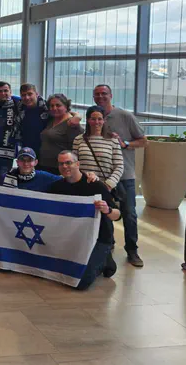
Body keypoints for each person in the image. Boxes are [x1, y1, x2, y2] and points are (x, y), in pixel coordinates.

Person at [49, 151, 119, 290]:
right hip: (72, 237)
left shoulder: (95, 185)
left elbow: (118, 215)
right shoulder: (56, 187)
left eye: (68, 162)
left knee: (80, 282)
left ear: (78, 164)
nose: (65, 166)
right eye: (61, 164)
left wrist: (107, 210)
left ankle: (105, 261)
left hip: (99, 238)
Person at [94, 84, 147, 267]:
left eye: (104, 93)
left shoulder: (125, 116)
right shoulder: (95, 118)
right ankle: (108, 243)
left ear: (111, 95)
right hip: (103, 176)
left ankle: (132, 250)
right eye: (97, 94)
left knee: (129, 213)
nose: (100, 97)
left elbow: (143, 141)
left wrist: (124, 144)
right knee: (104, 211)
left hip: (124, 175)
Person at [72, 106, 124, 191]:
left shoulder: (113, 140)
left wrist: (109, 184)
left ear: (104, 120)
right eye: (93, 119)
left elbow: (119, 166)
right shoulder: (78, 139)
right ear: (88, 120)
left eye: (99, 119)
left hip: (105, 187)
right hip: (82, 186)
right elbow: (74, 164)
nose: (96, 122)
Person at [38, 94, 83, 174]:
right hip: (45, 166)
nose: (54, 108)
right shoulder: (51, 120)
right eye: (52, 106)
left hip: (60, 168)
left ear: (66, 106)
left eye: (58, 105)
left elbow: (76, 148)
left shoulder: (72, 123)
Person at [0, 81, 22, 183]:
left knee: (4, 176)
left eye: (6, 91)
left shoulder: (17, 102)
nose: (3, 93)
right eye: (0, 91)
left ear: (10, 91)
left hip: (9, 146)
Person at [14, 83, 48, 157]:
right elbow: (6, 96)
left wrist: (74, 116)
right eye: (23, 95)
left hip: (45, 149)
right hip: (26, 149)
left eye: (30, 94)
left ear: (37, 94)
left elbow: (64, 112)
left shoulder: (47, 107)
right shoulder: (20, 106)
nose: (27, 97)